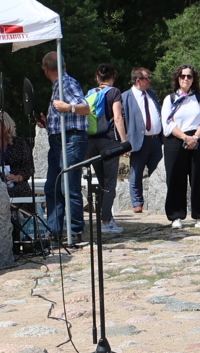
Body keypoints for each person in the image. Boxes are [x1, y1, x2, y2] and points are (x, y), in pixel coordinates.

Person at [40, 49, 88, 240]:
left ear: (46, 69)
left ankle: (75, 231)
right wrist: (47, 122)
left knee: (69, 186)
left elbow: (85, 108)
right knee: (53, 186)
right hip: (59, 139)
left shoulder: (67, 83)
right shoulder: (59, 84)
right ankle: (54, 231)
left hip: (70, 140)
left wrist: (69, 107)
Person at [161, 64, 200, 228]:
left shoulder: (199, 97)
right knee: (175, 177)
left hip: (198, 138)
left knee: (198, 177)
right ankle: (176, 216)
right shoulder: (170, 99)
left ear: (193, 79)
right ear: (178, 78)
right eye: (183, 76)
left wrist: (194, 137)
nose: (186, 79)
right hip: (176, 139)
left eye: (189, 76)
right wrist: (185, 138)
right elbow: (167, 123)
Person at [86, 65, 126, 234]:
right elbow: (117, 118)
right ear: (113, 78)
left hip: (91, 142)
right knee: (110, 183)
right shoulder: (114, 92)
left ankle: (106, 217)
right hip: (109, 141)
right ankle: (106, 221)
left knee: (102, 182)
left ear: (97, 78)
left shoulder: (90, 93)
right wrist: (124, 141)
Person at [124, 67, 163, 212]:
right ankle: (137, 203)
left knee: (158, 172)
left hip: (156, 140)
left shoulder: (151, 94)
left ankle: (157, 200)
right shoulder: (126, 97)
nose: (150, 80)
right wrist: (124, 143)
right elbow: (121, 121)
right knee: (136, 172)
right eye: (147, 78)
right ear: (138, 80)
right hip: (138, 141)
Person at [0, 109, 32, 194]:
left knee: (23, 191)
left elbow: (28, 166)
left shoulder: (20, 143)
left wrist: (18, 177)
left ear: (6, 126)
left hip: (17, 184)